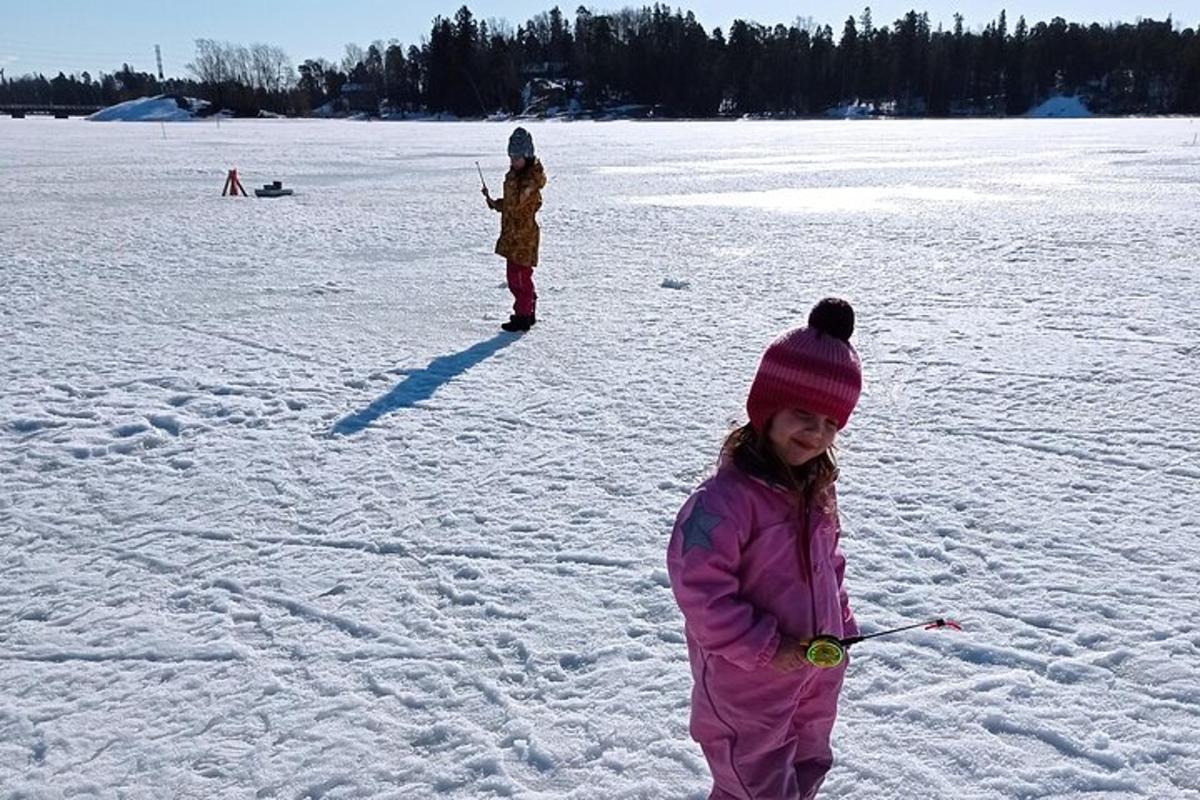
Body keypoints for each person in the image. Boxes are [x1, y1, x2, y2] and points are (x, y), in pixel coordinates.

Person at [666, 298, 864, 800]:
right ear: (767, 406)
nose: (815, 433)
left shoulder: (816, 489)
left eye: (830, 423)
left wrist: (840, 626)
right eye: (802, 413)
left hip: (813, 677)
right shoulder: (723, 503)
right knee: (753, 789)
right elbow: (701, 592)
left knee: (807, 765)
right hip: (746, 690)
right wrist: (766, 647)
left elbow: (829, 566)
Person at [482, 127, 547, 333]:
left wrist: (510, 184)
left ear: (526, 156)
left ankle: (523, 316)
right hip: (513, 236)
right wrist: (494, 203)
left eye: (516, 157)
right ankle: (527, 309)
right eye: (510, 157)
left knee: (520, 278)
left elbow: (518, 203)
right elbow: (510, 204)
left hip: (524, 238)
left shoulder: (529, 182)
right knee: (514, 278)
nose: (512, 161)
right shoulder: (516, 177)